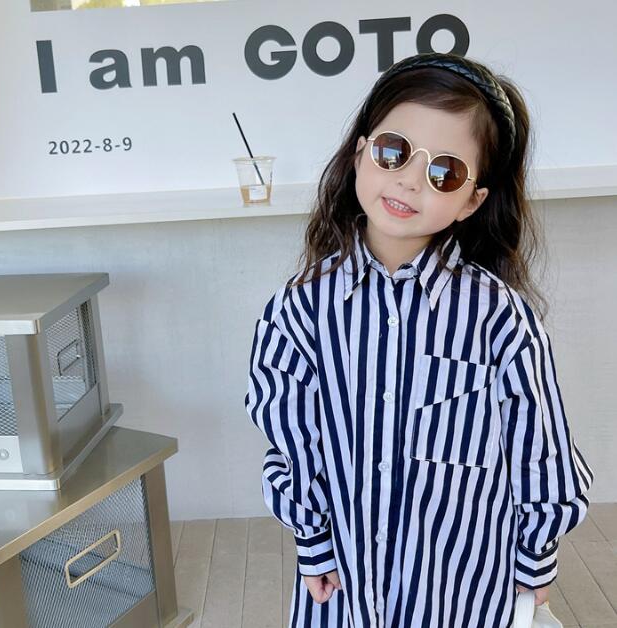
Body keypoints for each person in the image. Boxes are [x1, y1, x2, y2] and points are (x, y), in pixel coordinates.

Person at [244, 52, 594, 628]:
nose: (409, 179)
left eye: (445, 173)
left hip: (463, 592)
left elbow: (540, 449)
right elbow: (292, 439)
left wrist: (535, 564)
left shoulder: (499, 318)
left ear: (472, 200)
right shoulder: (300, 309)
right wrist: (314, 542)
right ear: (360, 152)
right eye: (393, 151)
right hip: (344, 591)